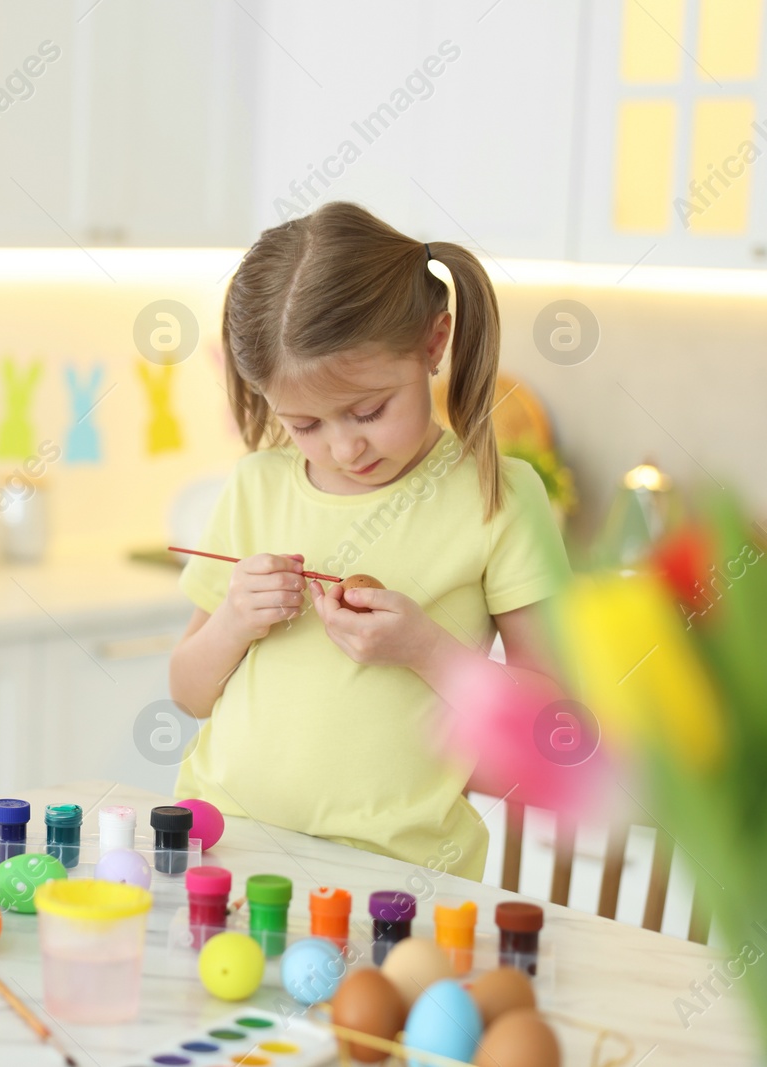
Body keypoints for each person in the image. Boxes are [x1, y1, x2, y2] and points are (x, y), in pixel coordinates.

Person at [168, 201, 571, 880]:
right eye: (304, 423)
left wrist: (425, 648)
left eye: (369, 410)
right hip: (226, 845)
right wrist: (234, 621)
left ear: (433, 342)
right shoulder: (256, 486)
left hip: (400, 873)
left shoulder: (499, 496)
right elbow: (188, 690)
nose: (345, 446)